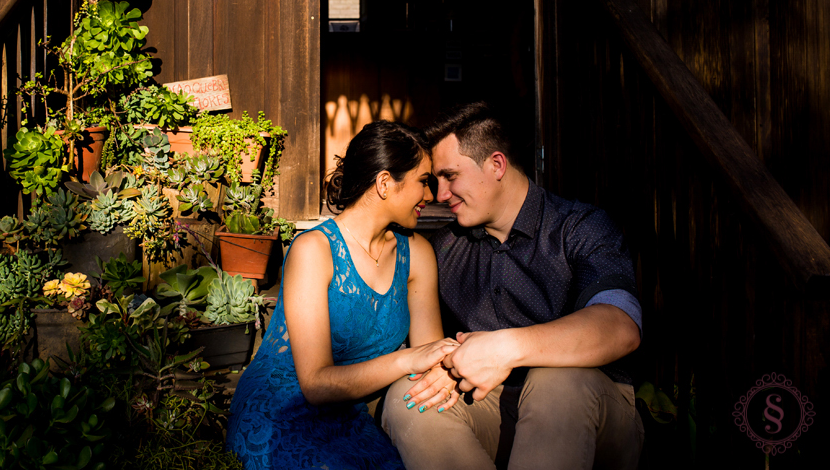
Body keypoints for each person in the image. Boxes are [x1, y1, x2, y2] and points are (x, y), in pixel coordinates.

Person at [382, 102, 644, 470]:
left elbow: (621, 327)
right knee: (406, 399)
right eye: (435, 180)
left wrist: (507, 347)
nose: (440, 194)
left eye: (450, 176)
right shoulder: (444, 247)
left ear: (496, 165)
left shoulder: (580, 227)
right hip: (492, 407)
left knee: (555, 382)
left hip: (593, 413)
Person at [226, 120, 462, 470]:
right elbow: (316, 385)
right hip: (282, 407)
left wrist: (444, 373)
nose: (431, 196)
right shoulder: (313, 251)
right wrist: (407, 359)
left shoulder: (418, 255)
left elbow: (428, 355)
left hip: (350, 410)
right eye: (423, 181)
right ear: (385, 183)